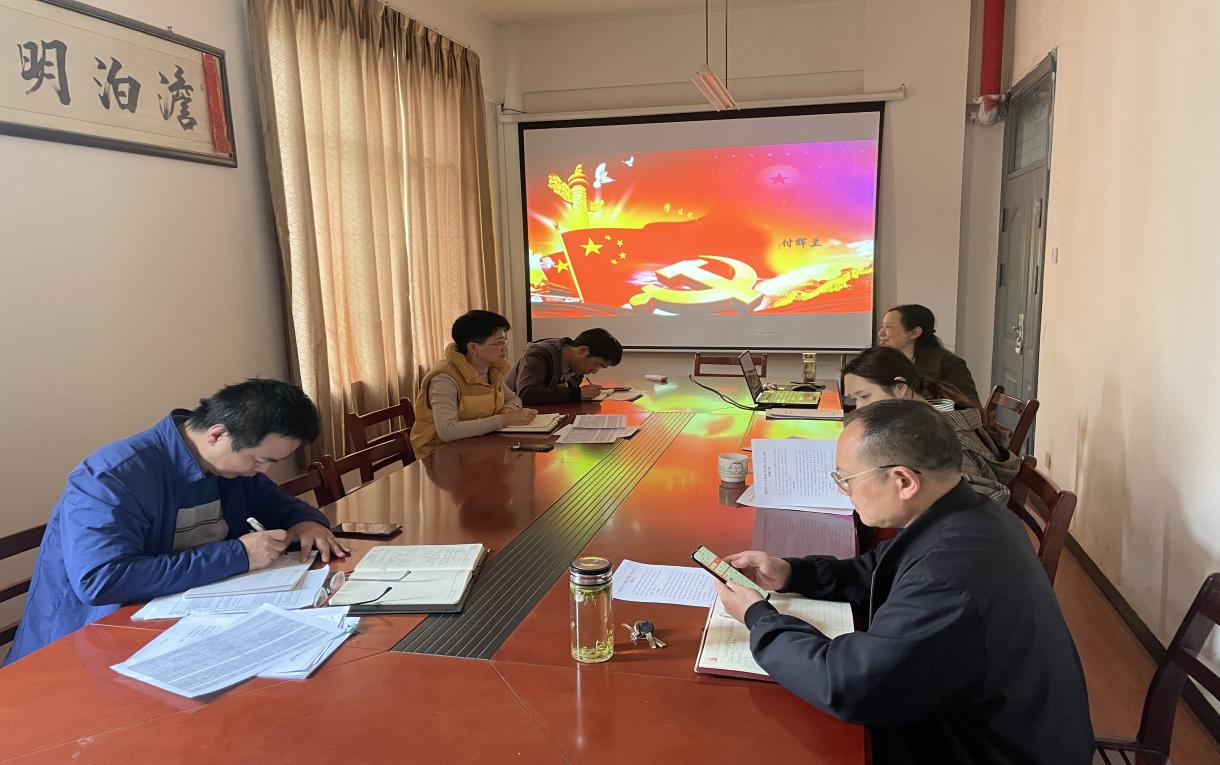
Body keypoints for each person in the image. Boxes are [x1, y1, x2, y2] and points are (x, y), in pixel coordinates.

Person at [713, 400, 1094, 764]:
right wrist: (792, 573)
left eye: (846, 479)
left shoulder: (947, 575)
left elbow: (850, 686)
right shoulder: (971, 511)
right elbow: (879, 568)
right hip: (984, 721)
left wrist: (758, 618)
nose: (842, 490)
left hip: (983, 750)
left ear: (903, 481)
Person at [7, 379, 349, 664]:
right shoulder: (113, 476)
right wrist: (238, 555)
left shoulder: (232, 469)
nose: (263, 470)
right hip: (87, 645)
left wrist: (308, 521)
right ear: (216, 434)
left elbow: (279, 505)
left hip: (185, 623)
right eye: (261, 459)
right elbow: (100, 580)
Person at [843, 346, 1018, 503]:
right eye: (853, 399)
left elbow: (979, 502)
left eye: (864, 396)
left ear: (900, 388)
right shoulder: (921, 419)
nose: (859, 407)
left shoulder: (944, 439)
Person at [411, 310, 537, 459]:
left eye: (504, 341)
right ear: (473, 348)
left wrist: (508, 410)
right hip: (441, 458)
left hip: (478, 449)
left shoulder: (490, 370)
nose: (504, 347)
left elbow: (514, 398)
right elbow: (447, 430)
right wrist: (503, 420)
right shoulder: (444, 378)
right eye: (499, 342)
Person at [877, 304, 980, 404]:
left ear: (915, 332)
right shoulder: (880, 362)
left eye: (888, 327)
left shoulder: (948, 364)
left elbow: (970, 410)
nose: (881, 333)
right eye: (882, 326)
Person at [505, 328, 623, 405]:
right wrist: (578, 393)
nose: (595, 371)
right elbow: (527, 394)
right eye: (598, 365)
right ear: (582, 351)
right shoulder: (539, 354)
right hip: (516, 416)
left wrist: (580, 393)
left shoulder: (576, 366)